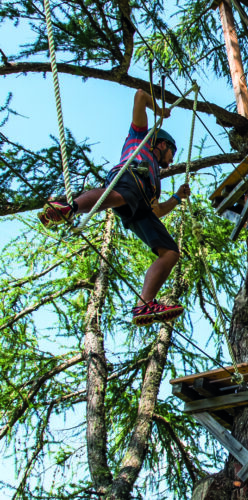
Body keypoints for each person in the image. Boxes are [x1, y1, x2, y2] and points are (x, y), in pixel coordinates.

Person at [38, 89, 189, 327]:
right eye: (172, 152)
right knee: (123, 195)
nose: (172, 160)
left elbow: (156, 211)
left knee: (170, 252)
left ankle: (145, 304)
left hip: (139, 205)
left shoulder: (156, 179)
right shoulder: (139, 139)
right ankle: (70, 208)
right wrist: (159, 111)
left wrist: (177, 198)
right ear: (162, 143)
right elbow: (141, 95)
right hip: (129, 179)